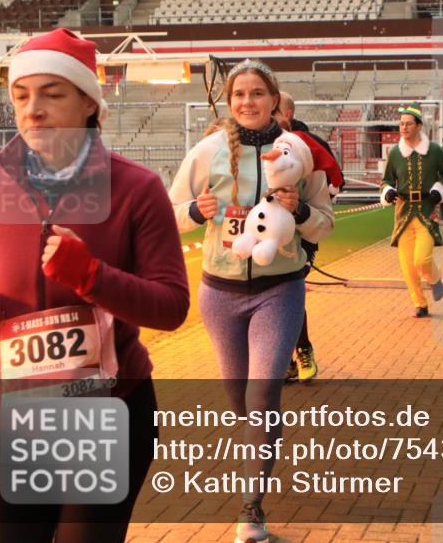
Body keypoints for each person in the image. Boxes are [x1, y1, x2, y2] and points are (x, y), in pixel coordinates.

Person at [0, 28, 190, 542]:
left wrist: (91, 276)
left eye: (52, 93)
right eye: (21, 96)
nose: (32, 109)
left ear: (89, 101)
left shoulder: (137, 189)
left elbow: (172, 305)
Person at [169, 59, 334, 542]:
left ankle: (251, 510)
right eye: (239, 93)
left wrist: (299, 210)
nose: (247, 101)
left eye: (257, 93)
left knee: (262, 397)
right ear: (228, 99)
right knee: (241, 400)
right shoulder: (206, 151)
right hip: (219, 293)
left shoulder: (300, 153)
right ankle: (265, 444)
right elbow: (170, 211)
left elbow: (324, 221)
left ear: (273, 98)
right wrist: (194, 212)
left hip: (279, 290)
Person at [277, 91, 340, 384]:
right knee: (272, 296)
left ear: (285, 113)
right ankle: (286, 359)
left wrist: (305, 206)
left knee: (289, 293)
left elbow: (335, 179)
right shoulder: (251, 145)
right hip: (265, 238)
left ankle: (302, 349)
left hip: (301, 237)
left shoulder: (310, 144)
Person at [380, 103, 443, 317]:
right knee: (408, 266)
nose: (404, 128)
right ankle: (420, 304)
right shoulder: (394, 153)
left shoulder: (435, 151)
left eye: (408, 124)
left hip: (426, 211)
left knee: (422, 260)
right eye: (401, 124)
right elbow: (385, 180)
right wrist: (389, 191)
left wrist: (440, 190)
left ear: (419, 126)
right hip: (403, 214)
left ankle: (435, 279)